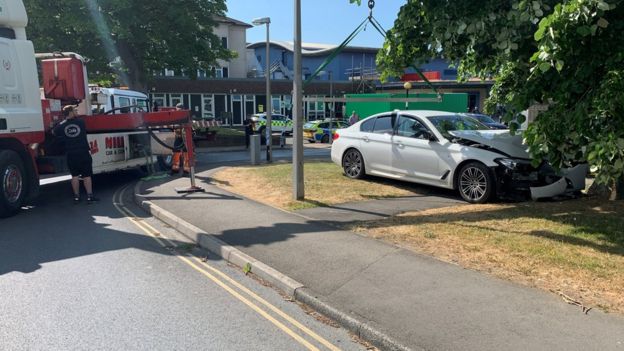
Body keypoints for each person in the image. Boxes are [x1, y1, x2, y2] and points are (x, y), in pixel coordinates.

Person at [53, 105, 98, 204]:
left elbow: (54, 132)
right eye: (74, 110)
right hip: (83, 152)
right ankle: (90, 196)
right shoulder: (81, 122)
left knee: (74, 176)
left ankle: (77, 197)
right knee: (87, 175)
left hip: (71, 154)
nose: (76, 112)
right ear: (70, 112)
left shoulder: (61, 126)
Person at [171, 103, 190, 175]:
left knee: (186, 153)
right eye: (177, 109)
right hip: (178, 137)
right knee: (176, 152)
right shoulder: (175, 116)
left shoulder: (186, 116)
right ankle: (175, 169)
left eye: (179, 109)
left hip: (185, 137)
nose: (178, 111)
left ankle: (186, 170)